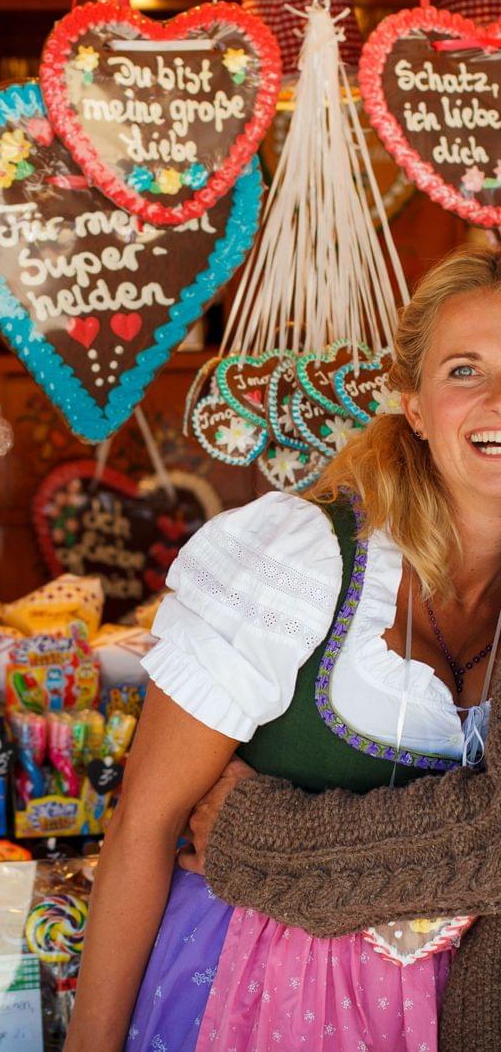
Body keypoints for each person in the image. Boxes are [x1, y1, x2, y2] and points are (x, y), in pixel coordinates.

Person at [65, 246, 501, 1052]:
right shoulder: (300, 561)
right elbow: (143, 828)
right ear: (410, 403)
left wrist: (275, 835)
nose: (497, 401)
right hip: (263, 994)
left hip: (463, 1007)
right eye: (465, 371)